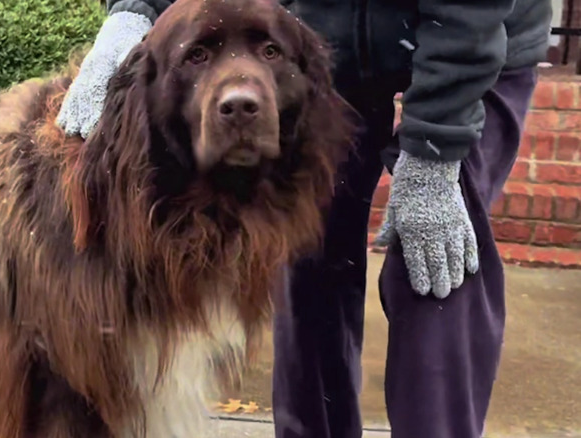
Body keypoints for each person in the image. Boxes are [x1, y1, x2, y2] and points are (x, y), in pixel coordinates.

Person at [56, 0, 553, 436]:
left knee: (434, 267)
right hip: (320, 44)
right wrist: (133, 12)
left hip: (474, 47)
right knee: (307, 253)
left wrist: (434, 153)